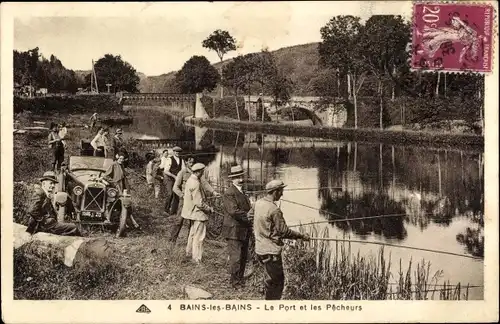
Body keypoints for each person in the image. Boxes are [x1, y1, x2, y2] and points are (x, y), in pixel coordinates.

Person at [253, 179, 310, 300]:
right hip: (271, 252)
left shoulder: (258, 203)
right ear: (275, 192)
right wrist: (301, 236)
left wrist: (263, 229)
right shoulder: (274, 210)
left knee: (269, 280)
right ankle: (272, 310)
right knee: (277, 283)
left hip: (259, 249)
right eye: (281, 191)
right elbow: (284, 231)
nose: (282, 194)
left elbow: (249, 216)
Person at [170, 156, 218, 243]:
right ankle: (172, 240)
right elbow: (175, 187)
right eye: (190, 162)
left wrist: (213, 192)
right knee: (179, 220)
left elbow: (205, 183)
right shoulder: (182, 172)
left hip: (195, 200)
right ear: (186, 162)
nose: (192, 164)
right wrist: (182, 195)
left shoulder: (197, 173)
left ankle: (190, 243)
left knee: (192, 222)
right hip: (184, 200)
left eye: (193, 162)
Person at [222, 165, 253, 289]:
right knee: (236, 258)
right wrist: (249, 216)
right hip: (234, 230)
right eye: (236, 177)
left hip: (243, 229)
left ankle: (239, 279)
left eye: (241, 176)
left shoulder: (242, 191)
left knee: (243, 256)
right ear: (232, 179)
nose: (240, 179)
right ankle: (235, 283)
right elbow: (233, 211)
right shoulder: (229, 193)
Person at [26, 171, 81, 236]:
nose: (53, 186)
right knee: (74, 227)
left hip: (50, 224)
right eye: (51, 183)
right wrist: (44, 220)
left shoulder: (44, 194)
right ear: (43, 184)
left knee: (70, 227)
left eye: (54, 184)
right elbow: (32, 210)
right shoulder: (39, 193)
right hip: (46, 226)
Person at [181, 163, 214, 264]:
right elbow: (199, 203)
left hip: (191, 213)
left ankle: (188, 253)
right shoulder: (196, 183)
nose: (203, 174)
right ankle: (196, 259)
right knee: (199, 237)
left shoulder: (190, 180)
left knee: (192, 234)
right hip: (198, 214)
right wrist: (209, 209)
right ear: (199, 172)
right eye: (202, 172)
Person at [162, 146, 185, 215]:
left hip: (177, 178)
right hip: (169, 178)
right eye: (176, 151)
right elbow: (166, 171)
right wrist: (174, 176)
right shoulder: (169, 159)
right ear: (174, 152)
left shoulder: (182, 160)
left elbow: (183, 169)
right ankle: (165, 210)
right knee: (170, 194)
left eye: (179, 152)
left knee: (176, 194)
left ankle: (173, 211)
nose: (177, 153)